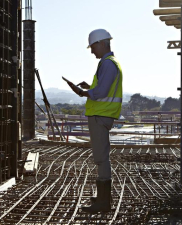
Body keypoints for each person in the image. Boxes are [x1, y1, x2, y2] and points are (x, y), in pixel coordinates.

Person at [65, 28, 123, 213]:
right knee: (101, 158)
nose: (91, 51)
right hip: (102, 115)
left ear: (102, 43)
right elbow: (104, 89)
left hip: (100, 116)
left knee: (101, 158)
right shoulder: (110, 63)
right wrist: (90, 87)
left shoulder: (107, 64)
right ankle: (103, 198)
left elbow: (102, 93)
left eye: (93, 46)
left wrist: (82, 92)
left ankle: (103, 202)